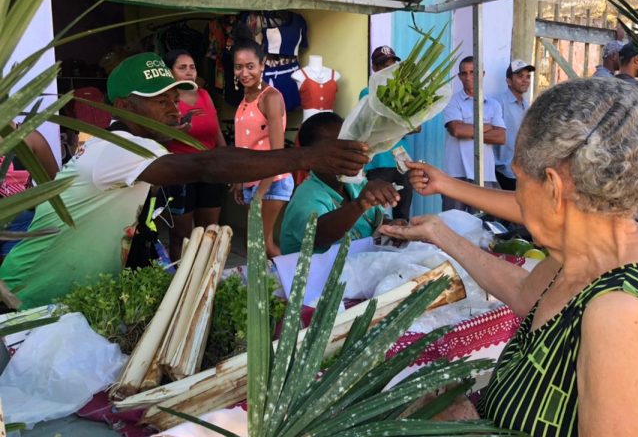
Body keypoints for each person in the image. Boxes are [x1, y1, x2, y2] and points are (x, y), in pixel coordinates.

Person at [380, 78, 638, 437]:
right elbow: (529, 295)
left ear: (555, 187)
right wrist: (441, 234)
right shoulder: (601, 252)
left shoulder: (618, 314)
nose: (517, 197)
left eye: (519, 178)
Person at [0, 52, 369, 309]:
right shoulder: (119, 148)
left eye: (174, 94)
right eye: (158, 99)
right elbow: (207, 165)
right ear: (124, 108)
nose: (174, 104)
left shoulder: (129, 147)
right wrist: (304, 157)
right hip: (29, 296)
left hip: (62, 294)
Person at [280, 112, 400, 255]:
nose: (347, 154)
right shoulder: (306, 196)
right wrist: (360, 204)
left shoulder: (355, 185)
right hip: (314, 275)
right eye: (335, 150)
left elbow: (373, 221)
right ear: (312, 157)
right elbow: (318, 235)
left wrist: (393, 228)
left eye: (348, 145)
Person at [161, 49, 227, 262]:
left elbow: (216, 132)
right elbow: (156, 137)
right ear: (170, 72)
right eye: (182, 68)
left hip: (209, 171)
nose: (189, 72)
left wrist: (228, 162)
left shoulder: (205, 95)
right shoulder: (164, 100)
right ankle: (179, 280)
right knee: (180, 234)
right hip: (180, 173)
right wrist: (177, 131)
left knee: (209, 232)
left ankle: (204, 278)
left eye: (192, 67)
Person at [231, 39, 293, 259]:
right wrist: (240, 181)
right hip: (253, 180)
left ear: (262, 65)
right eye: (239, 67)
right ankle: (273, 289)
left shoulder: (271, 97)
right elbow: (244, 145)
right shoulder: (246, 98)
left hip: (272, 181)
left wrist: (260, 192)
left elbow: (277, 153)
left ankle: (291, 286)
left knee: (261, 246)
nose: (244, 72)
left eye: (250, 66)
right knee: (259, 246)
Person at [442, 55, 505, 212]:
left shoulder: (493, 105)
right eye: (464, 73)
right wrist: (488, 126)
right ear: (459, 76)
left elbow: (501, 137)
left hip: (485, 174)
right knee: (453, 222)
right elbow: (456, 130)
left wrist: (467, 129)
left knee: (483, 225)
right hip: (456, 174)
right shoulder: (452, 101)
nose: (469, 77)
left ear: (482, 74)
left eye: (473, 72)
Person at [361, 46, 414, 220]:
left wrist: (397, 122)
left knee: (403, 215)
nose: (389, 69)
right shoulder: (367, 93)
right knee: (377, 215)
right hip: (378, 162)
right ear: (374, 68)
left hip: (402, 161)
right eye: (384, 65)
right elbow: (370, 125)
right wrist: (400, 122)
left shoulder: (405, 92)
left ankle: (400, 245)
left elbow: (417, 126)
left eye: (392, 65)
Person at [0, 130, 60, 259]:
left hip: (21, 226)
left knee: (12, 274)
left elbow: (54, 183)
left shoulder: (31, 138)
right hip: (21, 220)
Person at [494, 60, 534, 191]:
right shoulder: (498, 103)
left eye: (528, 76)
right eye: (520, 76)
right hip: (502, 172)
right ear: (509, 81)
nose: (525, 80)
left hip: (521, 173)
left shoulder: (526, 105)